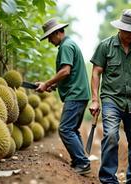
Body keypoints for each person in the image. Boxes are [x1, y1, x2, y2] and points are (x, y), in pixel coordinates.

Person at [89, 9, 131, 184]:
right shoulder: (105, 46)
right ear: (120, 28)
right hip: (111, 99)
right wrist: (95, 100)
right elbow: (96, 72)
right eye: (127, 31)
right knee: (111, 135)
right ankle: (108, 179)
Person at [36, 18, 91, 175]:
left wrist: (46, 83)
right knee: (72, 129)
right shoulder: (70, 44)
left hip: (75, 94)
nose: (49, 41)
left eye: (49, 37)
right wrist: (53, 85)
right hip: (79, 93)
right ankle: (79, 160)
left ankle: (82, 162)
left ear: (56, 33)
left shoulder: (65, 46)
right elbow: (70, 74)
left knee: (65, 129)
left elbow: (65, 71)